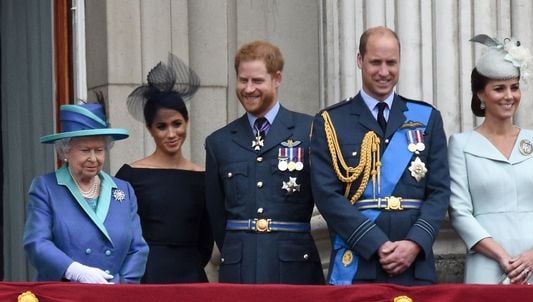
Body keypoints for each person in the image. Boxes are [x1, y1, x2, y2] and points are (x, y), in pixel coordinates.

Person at [310, 26, 450, 285]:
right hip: (358, 261)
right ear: (360, 60)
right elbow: (327, 195)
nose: (384, 72)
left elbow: (439, 191)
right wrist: (375, 243)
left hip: (414, 264)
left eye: (391, 63)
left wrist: (414, 243)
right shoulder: (331, 121)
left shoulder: (426, 118)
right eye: (375, 62)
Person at [205, 40, 324, 284]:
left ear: (276, 78)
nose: (249, 89)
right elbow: (216, 215)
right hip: (240, 270)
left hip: (295, 268)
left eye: (257, 81)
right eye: (243, 80)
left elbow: (328, 197)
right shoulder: (219, 142)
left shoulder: (310, 130)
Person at [448, 34, 533, 284]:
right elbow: (459, 212)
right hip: (486, 264)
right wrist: (502, 257)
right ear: (480, 94)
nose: (509, 96)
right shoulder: (461, 144)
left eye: (514, 87)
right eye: (499, 88)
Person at [23, 100, 149, 284]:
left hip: (114, 297)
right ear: (66, 151)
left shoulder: (124, 190)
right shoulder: (46, 188)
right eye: (85, 150)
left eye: (99, 150)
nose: (93, 158)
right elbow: (36, 242)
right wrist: (74, 271)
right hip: (65, 297)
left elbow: (138, 248)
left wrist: (121, 285)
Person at [117, 54, 213, 283]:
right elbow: (119, 233)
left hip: (191, 278)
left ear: (187, 122)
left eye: (177, 124)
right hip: (145, 277)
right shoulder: (129, 176)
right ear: (150, 129)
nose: (171, 134)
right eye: (162, 126)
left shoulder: (203, 178)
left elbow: (207, 238)